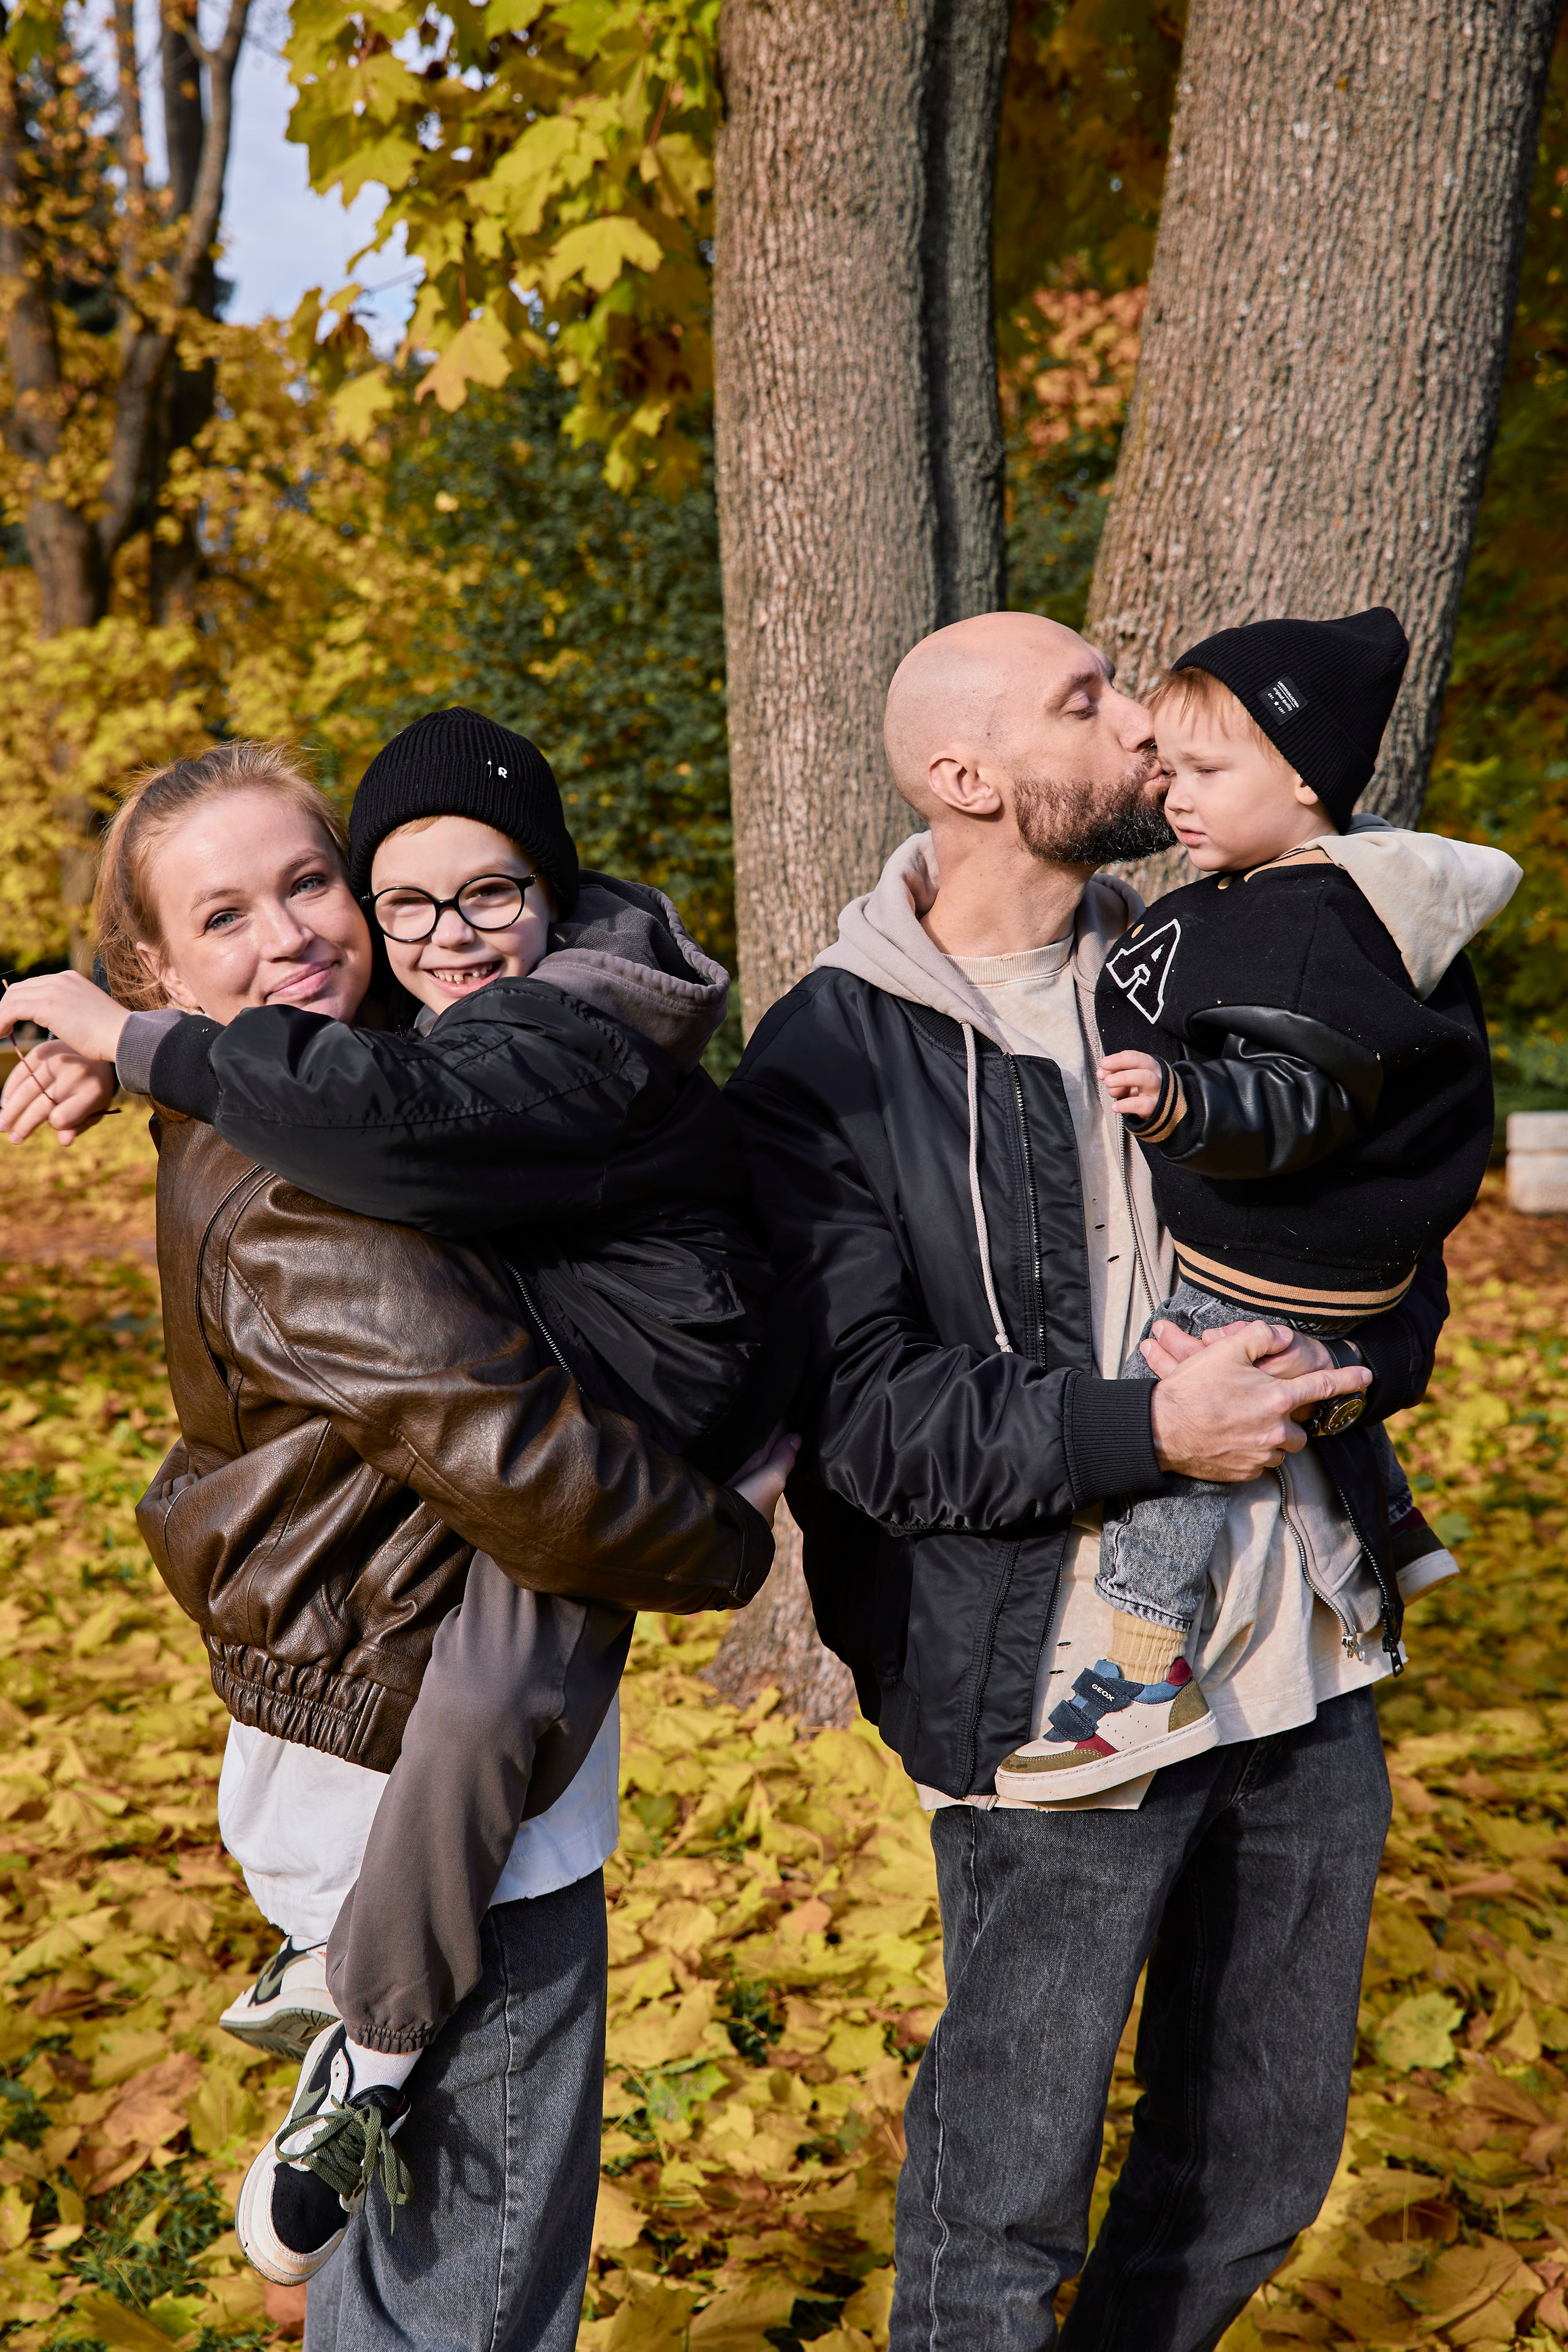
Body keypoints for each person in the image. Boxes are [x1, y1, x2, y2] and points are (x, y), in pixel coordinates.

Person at [0, 741, 793, 2349]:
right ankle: (358, 2040)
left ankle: (350, 2073)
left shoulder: (361, 1079)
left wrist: (138, 1047)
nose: (291, 932)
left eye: (309, 883)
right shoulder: (315, 1186)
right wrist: (728, 1539)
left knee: (419, 2268)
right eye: (223, 916)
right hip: (432, 1781)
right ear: (150, 964)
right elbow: (516, 1460)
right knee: (475, 2293)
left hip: (398, 1723)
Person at [725, 609, 1449, 2352]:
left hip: (1302, 1651)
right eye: (1086, 700)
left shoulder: (1230, 948)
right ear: (966, 777)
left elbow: (1400, 1221)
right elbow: (878, 1419)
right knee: (1003, 2205)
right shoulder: (831, 1055)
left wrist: (1336, 1374)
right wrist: (1152, 1435)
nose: (1140, 724)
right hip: (1056, 1701)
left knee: (1259, 2171)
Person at [994, 609, 1517, 1799]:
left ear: (1300, 779)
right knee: (1306, 1383)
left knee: (1168, 1428)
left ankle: (1133, 1676)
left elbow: (1298, 1097)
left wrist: (1181, 1105)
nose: (1173, 798)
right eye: (1165, 771)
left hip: (1264, 1264)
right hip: (1343, 1270)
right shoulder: (1329, 891)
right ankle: (1386, 1526)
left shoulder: (1302, 924)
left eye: (1207, 773)